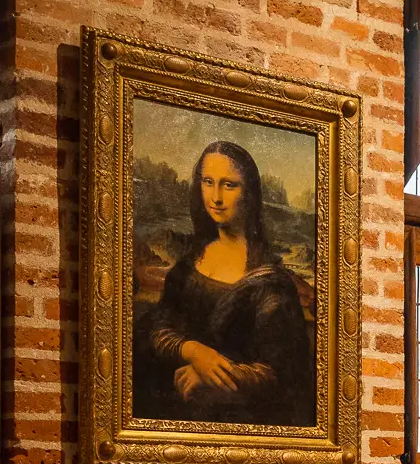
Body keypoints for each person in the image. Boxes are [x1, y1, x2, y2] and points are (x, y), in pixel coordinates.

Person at [133, 140, 314, 426]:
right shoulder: (189, 265)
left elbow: (282, 374)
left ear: (249, 194)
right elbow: (158, 328)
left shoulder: (272, 283)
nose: (215, 197)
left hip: (241, 421)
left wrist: (213, 374)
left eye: (229, 185)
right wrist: (194, 351)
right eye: (208, 182)